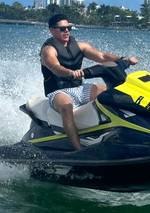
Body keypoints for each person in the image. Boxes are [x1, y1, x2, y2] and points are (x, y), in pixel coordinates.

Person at [40, 13, 138, 150]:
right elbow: (55, 67)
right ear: (52, 30)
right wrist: (70, 73)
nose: (66, 31)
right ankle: (78, 149)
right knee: (66, 107)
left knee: (115, 94)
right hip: (58, 92)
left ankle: (126, 133)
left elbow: (103, 57)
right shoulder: (48, 50)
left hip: (80, 88)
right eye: (62, 29)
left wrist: (123, 59)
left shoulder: (80, 46)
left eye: (69, 28)